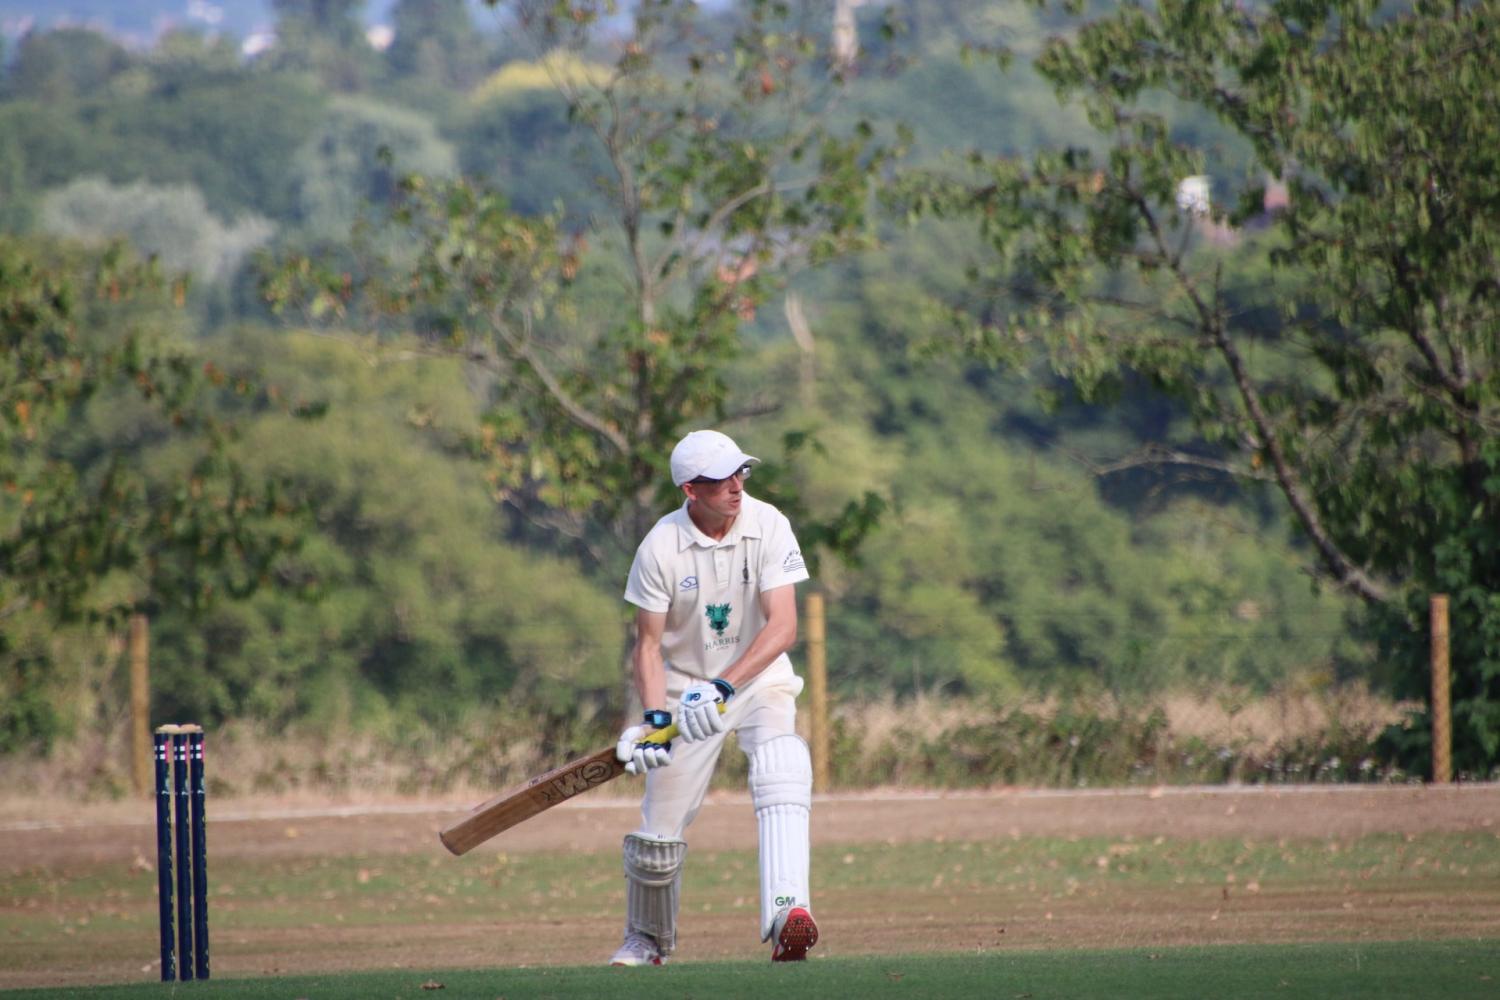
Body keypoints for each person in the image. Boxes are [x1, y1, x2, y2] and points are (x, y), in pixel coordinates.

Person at [609, 429, 819, 967]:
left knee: (783, 763)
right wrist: (657, 718)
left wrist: (724, 685)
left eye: (739, 473)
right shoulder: (659, 546)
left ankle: (787, 913)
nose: (735, 486)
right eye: (720, 479)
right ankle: (646, 940)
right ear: (689, 490)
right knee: (657, 838)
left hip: (755, 678)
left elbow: (784, 628)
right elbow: (649, 646)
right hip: (683, 691)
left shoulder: (768, 523)